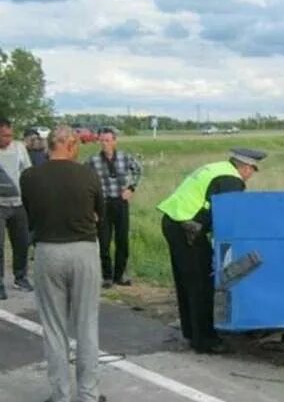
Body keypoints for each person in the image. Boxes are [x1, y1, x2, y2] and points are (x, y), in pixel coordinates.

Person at [20, 126, 106, 402]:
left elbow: (30, 215)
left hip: (48, 250)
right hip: (83, 250)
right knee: (86, 324)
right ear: (70, 145)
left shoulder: (30, 176)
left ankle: (59, 398)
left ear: (49, 146)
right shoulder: (88, 174)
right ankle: (90, 395)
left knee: (54, 327)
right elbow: (99, 214)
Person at [157, 148, 266, 354]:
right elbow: (226, 215)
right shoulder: (231, 180)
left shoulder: (217, 168)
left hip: (174, 222)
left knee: (186, 282)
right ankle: (205, 340)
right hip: (188, 229)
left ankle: (192, 332)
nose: (251, 175)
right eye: (252, 169)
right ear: (244, 166)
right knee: (201, 284)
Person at [85, 127, 142, 288]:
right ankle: (107, 276)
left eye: (108, 140)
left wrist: (131, 188)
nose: (104, 144)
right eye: (102, 140)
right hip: (103, 204)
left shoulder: (125, 157)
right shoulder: (93, 160)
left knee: (122, 240)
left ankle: (120, 275)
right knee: (104, 241)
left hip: (120, 202)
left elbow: (138, 170)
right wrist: (91, 205)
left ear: (114, 141)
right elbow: (85, 180)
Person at [0, 117, 33, 300]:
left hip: (18, 203)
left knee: (21, 242)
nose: (8, 139)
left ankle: (20, 277)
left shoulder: (19, 147)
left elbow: (27, 171)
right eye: (4, 136)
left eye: (10, 135)